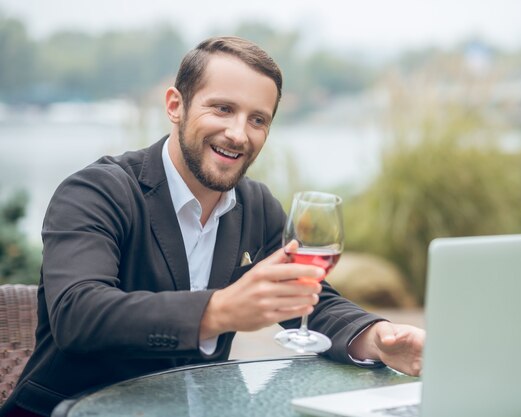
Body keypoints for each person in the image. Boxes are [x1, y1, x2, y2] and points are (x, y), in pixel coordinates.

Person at [0, 36, 425, 417]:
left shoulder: (257, 206)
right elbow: (79, 314)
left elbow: (311, 303)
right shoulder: (96, 191)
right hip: (66, 408)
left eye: (258, 120)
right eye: (223, 108)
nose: (239, 133)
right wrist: (218, 311)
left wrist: (377, 337)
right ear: (175, 106)